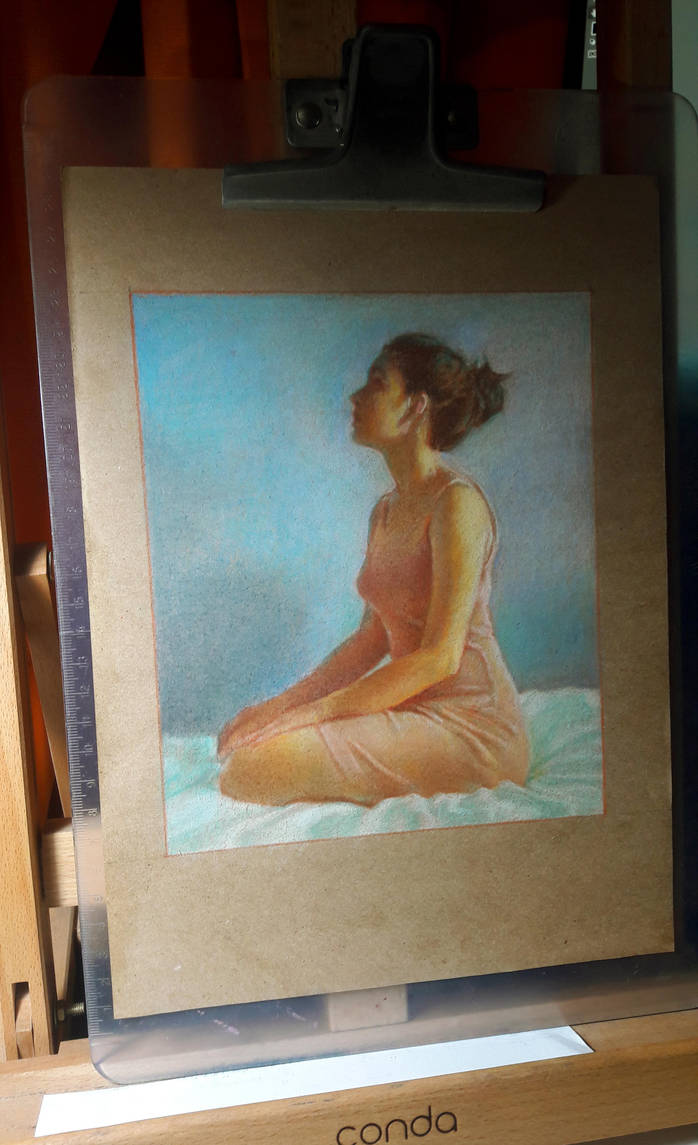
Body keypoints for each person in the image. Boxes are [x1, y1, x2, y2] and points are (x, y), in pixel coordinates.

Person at [217, 333, 530, 806]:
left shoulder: (457, 504)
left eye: (377, 383)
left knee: (253, 768)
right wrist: (279, 707)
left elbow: (440, 658)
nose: (355, 396)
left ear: (415, 408)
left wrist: (315, 715)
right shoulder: (385, 511)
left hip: (472, 729)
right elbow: (372, 638)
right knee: (249, 756)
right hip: (412, 713)